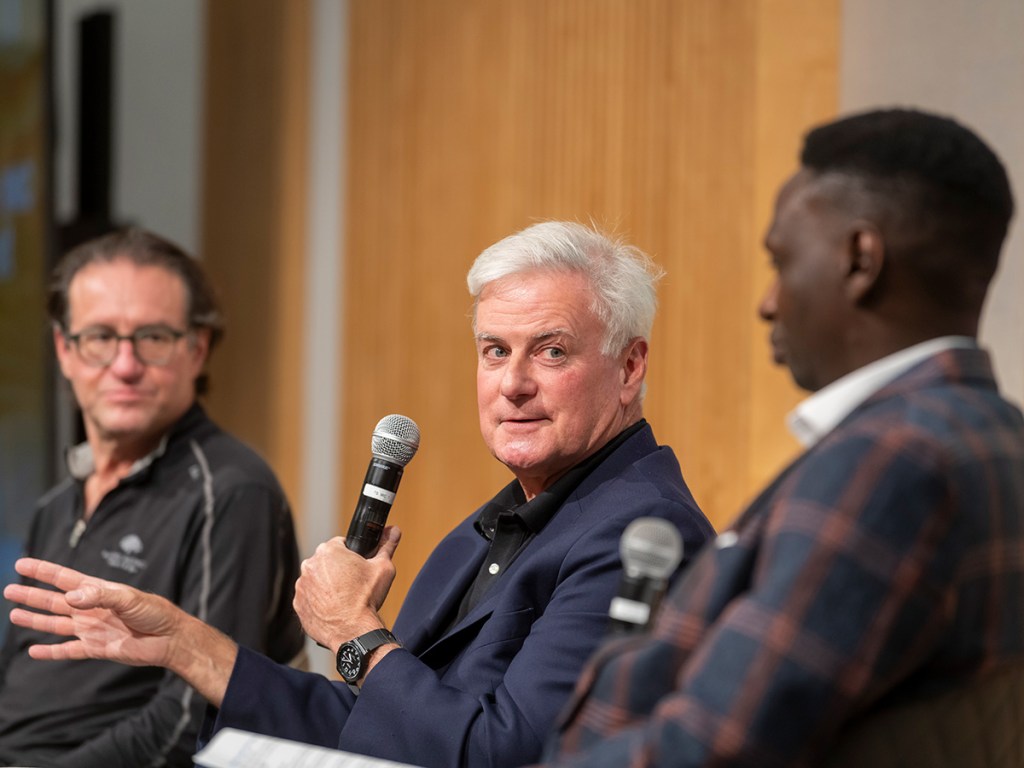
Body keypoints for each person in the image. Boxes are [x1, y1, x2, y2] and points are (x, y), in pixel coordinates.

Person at [4, 222, 716, 767]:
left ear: (629, 367)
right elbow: (372, 725)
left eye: (551, 351)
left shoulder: (642, 529)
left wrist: (354, 631)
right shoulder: (498, 522)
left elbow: (509, 754)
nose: (513, 384)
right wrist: (185, 645)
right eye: (495, 350)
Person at [538, 108, 1024, 767]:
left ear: (860, 260)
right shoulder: (995, 435)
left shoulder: (891, 462)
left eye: (782, 261)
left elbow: (710, 749)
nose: (768, 302)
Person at [0, 229, 306, 767]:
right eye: (100, 337)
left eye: (153, 337)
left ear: (197, 349)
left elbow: (194, 719)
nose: (125, 365)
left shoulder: (231, 493)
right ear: (64, 350)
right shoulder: (57, 505)